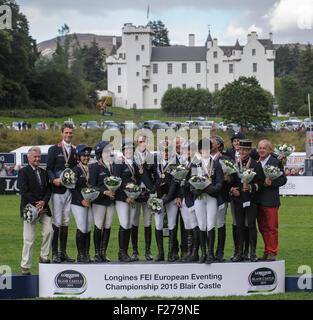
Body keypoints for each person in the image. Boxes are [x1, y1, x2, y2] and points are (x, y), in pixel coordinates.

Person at [228, 139, 265, 262]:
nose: (242, 152)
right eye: (240, 149)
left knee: (251, 225)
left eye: (245, 150)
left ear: (249, 151)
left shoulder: (256, 165)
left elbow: (261, 184)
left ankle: (252, 252)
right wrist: (232, 189)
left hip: (252, 200)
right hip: (238, 200)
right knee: (239, 227)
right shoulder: (234, 165)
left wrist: (250, 187)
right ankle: (239, 252)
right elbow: (231, 182)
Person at [18, 147, 53, 275]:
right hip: (29, 209)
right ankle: (25, 266)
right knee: (29, 238)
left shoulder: (44, 172)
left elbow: (49, 190)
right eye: (35, 157)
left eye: (39, 157)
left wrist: (43, 202)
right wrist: (36, 204)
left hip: (43, 208)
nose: (38, 159)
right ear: (29, 158)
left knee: (50, 231)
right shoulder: (23, 172)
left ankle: (44, 256)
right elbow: (24, 191)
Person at [47, 123, 76, 263]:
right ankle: (54, 253)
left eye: (70, 133)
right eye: (66, 133)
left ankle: (63, 252)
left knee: (66, 221)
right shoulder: (54, 149)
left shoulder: (75, 151)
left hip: (70, 190)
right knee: (57, 221)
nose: (68, 135)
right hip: (57, 190)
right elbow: (48, 169)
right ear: (62, 134)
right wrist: (54, 180)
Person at [191, 138, 224, 264]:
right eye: (202, 148)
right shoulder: (196, 164)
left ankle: (210, 254)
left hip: (211, 198)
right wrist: (196, 190)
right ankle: (203, 253)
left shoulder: (216, 164)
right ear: (199, 150)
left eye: (207, 148)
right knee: (201, 225)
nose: (205, 150)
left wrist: (212, 189)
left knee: (210, 224)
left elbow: (220, 183)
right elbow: (192, 182)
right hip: (199, 198)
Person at [257, 139, 287, 261]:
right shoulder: (256, 160)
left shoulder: (276, 161)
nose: (261, 150)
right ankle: (267, 250)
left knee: (272, 227)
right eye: (260, 148)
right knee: (262, 228)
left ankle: (272, 252)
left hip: (271, 200)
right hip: (258, 200)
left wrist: (272, 182)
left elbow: (283, 180)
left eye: (264, 148)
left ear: (269, 149)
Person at [113, 138, 140, 262]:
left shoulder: (133, 163)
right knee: (124, 223)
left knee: (129, 224)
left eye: (131, 149)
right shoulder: (119, 163)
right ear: (122, 150)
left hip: (131, 198)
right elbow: (115, 183)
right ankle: (121, 252)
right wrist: (125, 198)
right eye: (126, 149)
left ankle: (125, 252)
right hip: (122, 198)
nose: (129, 150)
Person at [153, 140, 179, 262]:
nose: (166, 153)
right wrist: (154, 189)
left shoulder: (175, 163)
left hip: (171, 197)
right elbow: (153, 177)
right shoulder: (155, 162)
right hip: (158, 197)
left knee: (172, 224)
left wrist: (168, 198)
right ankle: (160, 253)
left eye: (168, 150)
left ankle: (170, 253)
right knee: (158, 224)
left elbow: (175, 182)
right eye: (163, 150)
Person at [89, 141, 115, 262]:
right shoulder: (95, 167)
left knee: (108, 226)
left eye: (109, 151)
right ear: (100, 153)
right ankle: (96, 253)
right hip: (99, 201)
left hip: (110, 201)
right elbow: (92, 185)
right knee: (99, 225)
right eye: (106, 151)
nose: (109, 153)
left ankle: (103, 252)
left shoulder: (113, 165)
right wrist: (104, 192)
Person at [132, 133, 155, 261]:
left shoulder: (151, 156)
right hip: (134, 192)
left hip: (147, 192)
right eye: (140, 142)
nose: (143, 144)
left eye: (145, 142)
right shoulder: (131, 155)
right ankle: (135, 251)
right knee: (134, 222)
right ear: (137, 143)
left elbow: (153, 173)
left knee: (147, 222)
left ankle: (148, 251)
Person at [176, 140, 199, 263]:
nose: (187, 152)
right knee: (187, 226)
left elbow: (194, 181)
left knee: (194, 225)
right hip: (184, 197)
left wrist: (185, 183)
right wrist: (179, 196)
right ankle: (189, 251)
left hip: (192, 198)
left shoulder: (196, 163)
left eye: (189, 149)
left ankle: (195, 252)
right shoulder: (184, 162)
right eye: (185, 150)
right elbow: (180, 183)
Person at [71, 144, 94, 263]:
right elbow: (72, 188)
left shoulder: (91, 168)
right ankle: (80, 254)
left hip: (89, 202)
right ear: (79, 156)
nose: (86, 158)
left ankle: (86, 253)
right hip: (78, 202)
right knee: (81, 227)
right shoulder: (75, 170)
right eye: (84, 156)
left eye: (88, 156)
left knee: (88, 226)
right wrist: (81, 200)